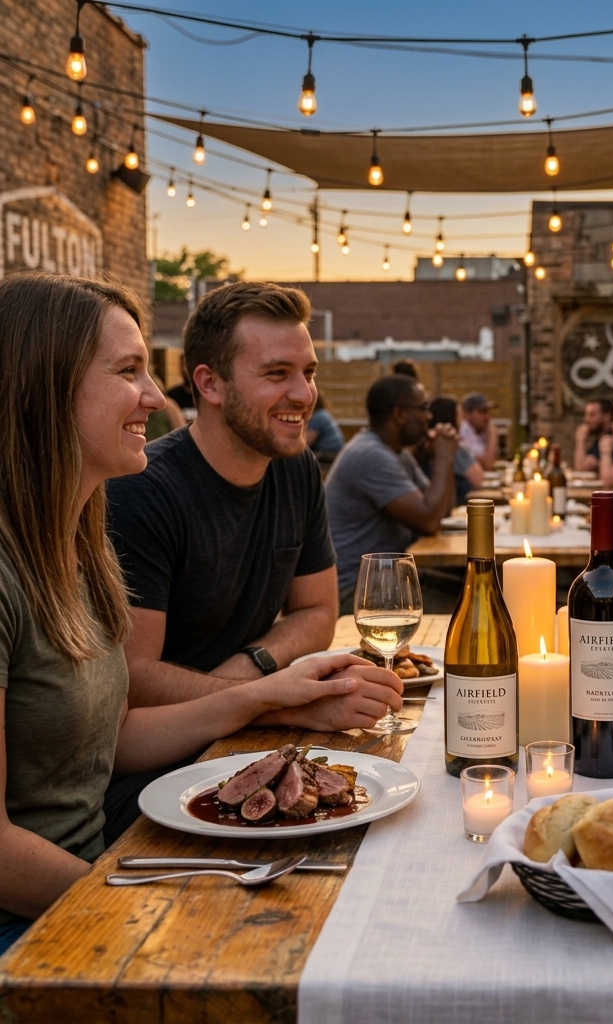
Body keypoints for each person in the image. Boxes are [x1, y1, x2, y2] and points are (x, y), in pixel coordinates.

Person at [0, 273, 402, 954]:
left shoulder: (79, 545)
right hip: (33, 920)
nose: (156, 399)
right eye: (129, 372)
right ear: (44, 386)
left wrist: (274, 701)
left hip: (94, 866)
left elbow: (108, 740)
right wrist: (151, 898)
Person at [104, 281, 389, 840]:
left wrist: (253, 666)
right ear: (208, 382)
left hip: (254, 743)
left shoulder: (295, 467)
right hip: (157, 779)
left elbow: (318, 612)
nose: (304, 394)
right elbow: (133, 680)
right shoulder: (143, 491)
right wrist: (274, 698)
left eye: (308, 373)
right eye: (277, 374)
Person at [325, 375, 459, 611]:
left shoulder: (396, 453)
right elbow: (429, 521)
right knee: (468, 611)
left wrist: (444, 459)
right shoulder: (370, 455)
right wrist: (443, 457)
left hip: (390, 578)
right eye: (423, 408)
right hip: (357, 591)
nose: (429, 416)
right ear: (399, 415)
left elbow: (441, 510)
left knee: (474, 593)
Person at [420, 396, 485, 505]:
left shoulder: (422, 449)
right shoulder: (453, 448)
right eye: (459, 416)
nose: (462, 421)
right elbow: (479, 480)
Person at [574, 398, 613, 472]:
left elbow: (582, 468)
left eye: (592, 415)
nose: (586, 419)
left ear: (607, 416)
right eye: (586, 414)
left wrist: (580, 440)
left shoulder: (611, 438)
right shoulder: (600, 438)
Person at [458, 392, 498, 470]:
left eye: (488, 412)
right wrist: (493, 434)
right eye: (482, 412)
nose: (487, 418)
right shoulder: (464, 431)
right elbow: (487, 464)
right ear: (467, 414)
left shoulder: (478, 431)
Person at [306, 392, 345, 466]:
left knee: (304, 458)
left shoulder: (318, 417)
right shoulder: (323, 413)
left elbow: (307, 443)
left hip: (330, 452)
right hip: (335, 451)